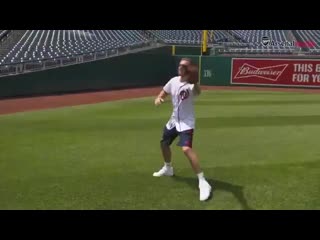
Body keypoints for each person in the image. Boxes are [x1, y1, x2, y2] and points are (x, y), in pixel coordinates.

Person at [153, 58, 212, 201]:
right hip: (174, 120)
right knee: (164, 143)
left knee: (186, 149)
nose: (180, 67)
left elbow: (198, 91)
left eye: (183, 65)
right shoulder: (173, 81)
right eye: (179, 64)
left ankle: (203, 181)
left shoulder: (191, 85)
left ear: (189, 69)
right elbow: (163, 92)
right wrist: (159, 98)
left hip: (186, 123)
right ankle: (168, 168)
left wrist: (195, 82)